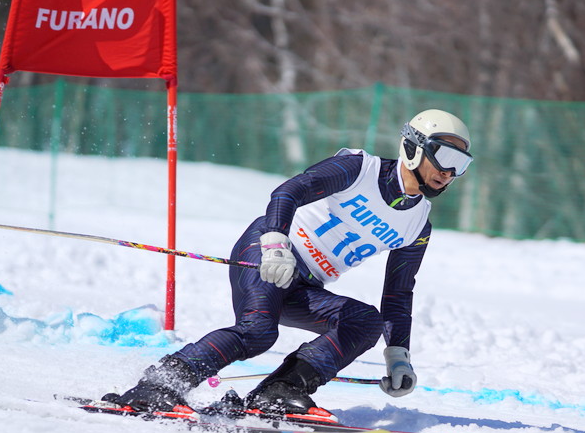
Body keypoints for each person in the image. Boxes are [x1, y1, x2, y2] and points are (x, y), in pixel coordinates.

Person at [104, 109, 474, 417]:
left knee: (364, 322)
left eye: (461, 164)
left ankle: (278, 392)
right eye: (444, 157)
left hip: (304, 283)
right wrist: (276, 242)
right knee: (258, 332)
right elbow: (289, 191)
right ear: (413, 148)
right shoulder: (359, 169)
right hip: (266, 252)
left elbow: (398, 293)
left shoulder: (417, 224)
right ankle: (159, 385)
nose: (450, 171)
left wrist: (398, 355)